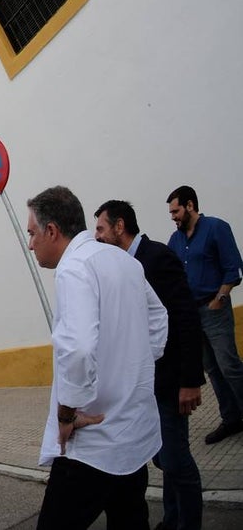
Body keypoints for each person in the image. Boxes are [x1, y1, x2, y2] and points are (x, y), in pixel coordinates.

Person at [28, 186, 168, 530]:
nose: (30, 243)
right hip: (132, 436)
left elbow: (76, 348)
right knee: (130, 522)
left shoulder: (74, 268)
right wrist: (131, 368)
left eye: (32, 233)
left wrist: (67, 413)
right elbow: (158, 319)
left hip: (91, 443)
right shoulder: (124, 261)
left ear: (52, 231)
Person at [95, 200, 205, 530]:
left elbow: (185, 318)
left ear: (119, 226)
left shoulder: (157, 257)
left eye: (101, 228)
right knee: (163, 458)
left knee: (176, 461)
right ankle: (172, 520)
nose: (97, 237)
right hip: (146, 385)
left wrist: (190, 380)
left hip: (172, 382)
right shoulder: (121, 267)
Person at [167, 185, 243, 446]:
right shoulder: (175, 240)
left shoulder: (216, 228)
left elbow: (232, 267)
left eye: (176, 210)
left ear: (190, 205)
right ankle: (231, 419)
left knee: (229, 366)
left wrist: (219, 299)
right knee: (212, 370)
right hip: (190, 315)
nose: (173, 216)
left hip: (214, 308)